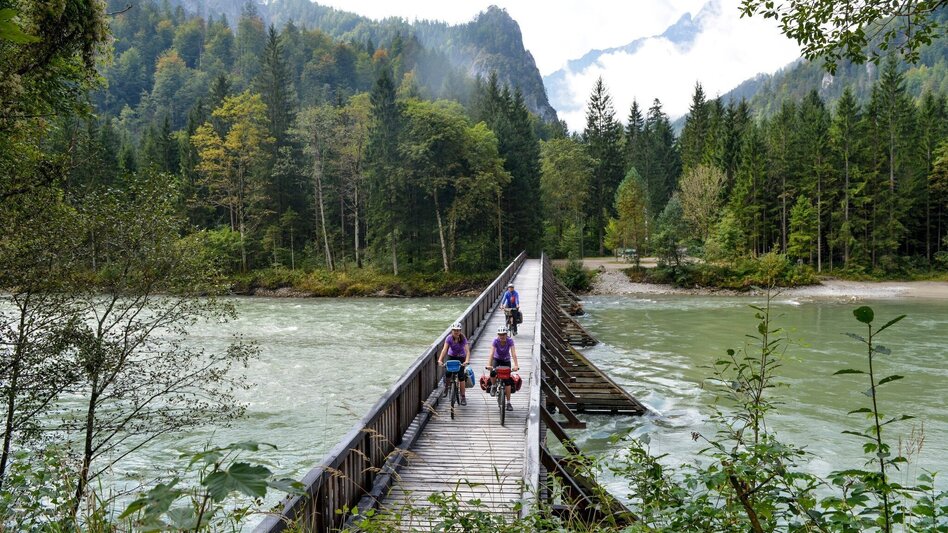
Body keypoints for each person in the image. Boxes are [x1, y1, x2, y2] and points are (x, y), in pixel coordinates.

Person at [486, 326, 519, 411]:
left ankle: (508, 403)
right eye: (500, 335)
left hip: (506, 360)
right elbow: (491, 353)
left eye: (503, 334)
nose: (502, 336)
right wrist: (489, 365)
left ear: (506, 334)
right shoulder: (495, 341)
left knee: (507, 381)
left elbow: (513, 353)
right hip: (496, 359)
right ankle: (493, 385)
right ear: (498, 335)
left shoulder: (510, 341)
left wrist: (516, 365)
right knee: (492, 373)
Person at [437, 321, 471, 405]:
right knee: (448, 373)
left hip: (461, 357)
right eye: (455, 330)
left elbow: (467, 351)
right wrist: (440, 360)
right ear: (452, 331)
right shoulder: (449, 338)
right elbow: (444, 350)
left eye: (458, 330)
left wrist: (466, 361)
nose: (456, 332)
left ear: (460, 331)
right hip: (451, 356)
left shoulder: (463, 338)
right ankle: (446, 388)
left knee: (461, 376)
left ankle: (463, 396)